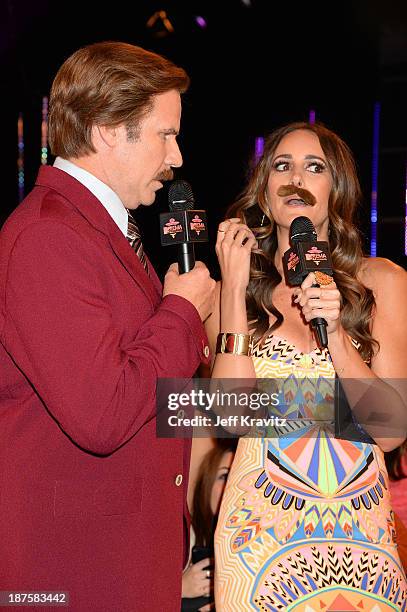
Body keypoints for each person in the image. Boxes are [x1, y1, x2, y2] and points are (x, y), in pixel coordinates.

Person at [0, 41, 215, 611]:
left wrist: (334, 406)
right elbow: (105, 413)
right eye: (165, 134)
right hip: (75, 575)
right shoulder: (49, 236)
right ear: (105, 130)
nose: (177, 157)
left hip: (128, 563)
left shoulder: (104, 230)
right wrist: (185, 312)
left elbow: (163, 401)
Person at [204, 122, 407, 610]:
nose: (296, 177)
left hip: (363, 546)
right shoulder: (225, 297)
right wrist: (231, 289)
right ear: (266, 192)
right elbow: (229, 419)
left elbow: (392, 428)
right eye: (281, 166)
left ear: (333, 190)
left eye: (314, 167)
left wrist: (335, 331)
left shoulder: (381, 281)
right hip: (258, 547)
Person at [182, 440, 236, 611]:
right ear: (208, 482)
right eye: (225, 476)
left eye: (237, 477)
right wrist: (180, 587)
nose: (231, 487)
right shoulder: (182, 534)